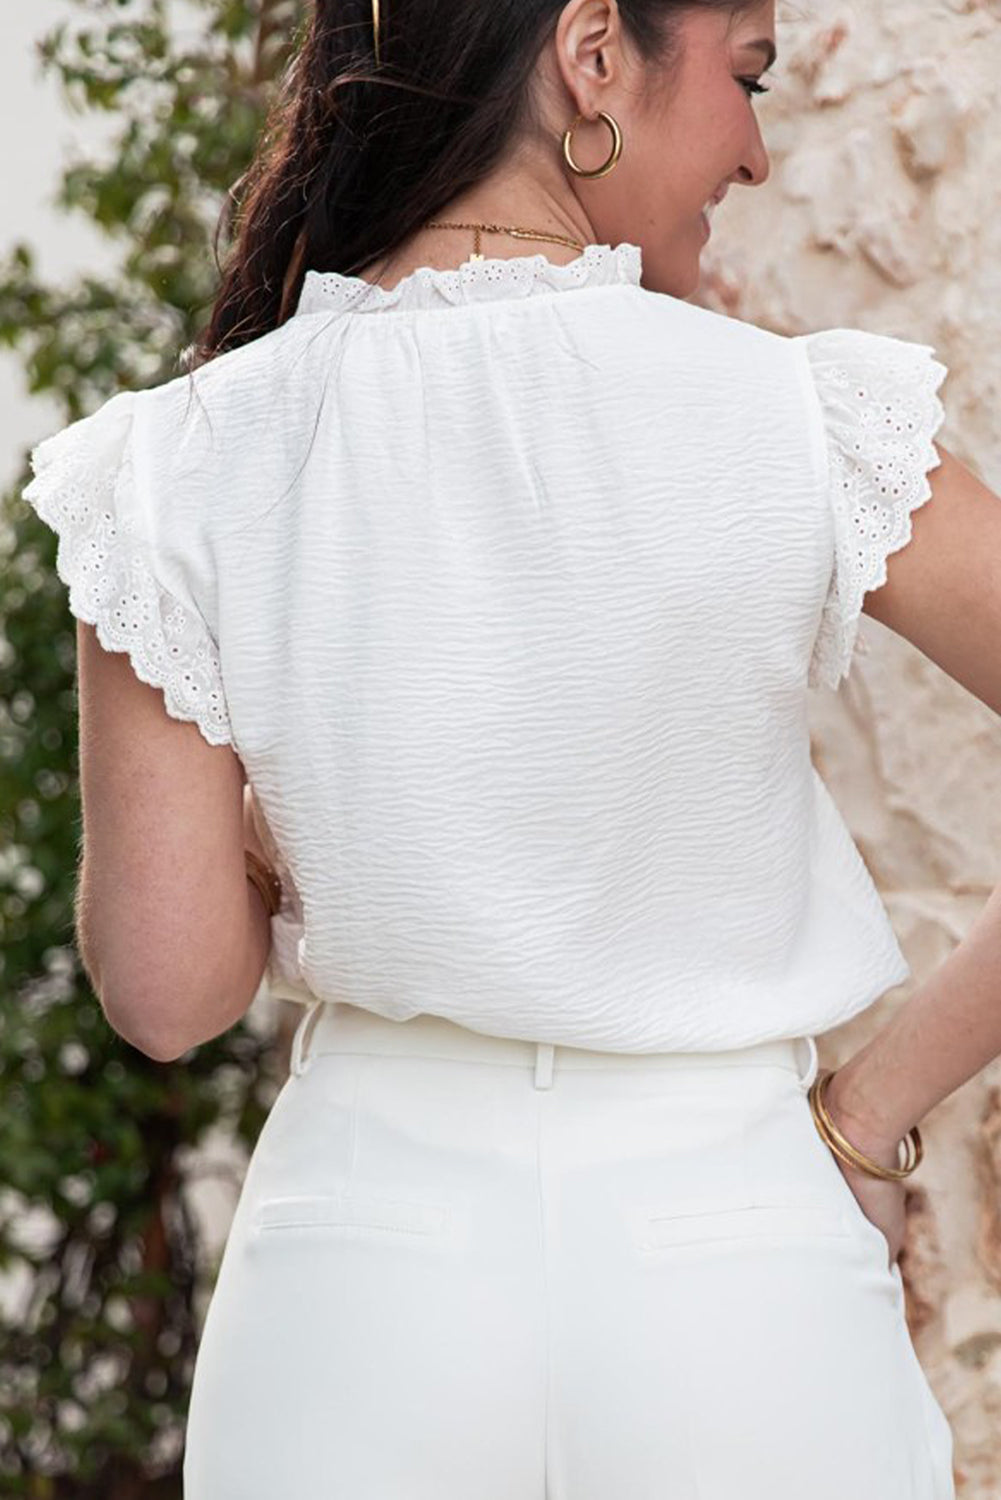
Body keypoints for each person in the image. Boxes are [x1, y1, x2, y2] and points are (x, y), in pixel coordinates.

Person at [20, 0, 1001, 1493]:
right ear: (592, 52)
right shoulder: (803, 422)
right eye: (746, 77)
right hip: (735, 1269)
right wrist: (866, 1116)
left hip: (359, 1283)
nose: (754, 152)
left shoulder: (172, 465)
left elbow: (168, 993)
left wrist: (303, 808)